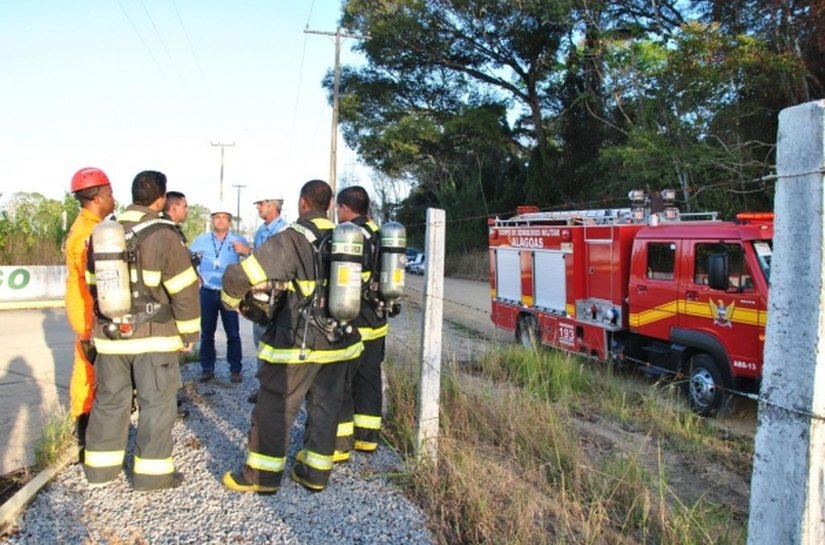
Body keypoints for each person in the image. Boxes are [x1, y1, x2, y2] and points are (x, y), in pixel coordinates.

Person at [221, 179, 364, 494]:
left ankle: (261, 476)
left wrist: (230, 301)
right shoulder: (346, 240)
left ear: (302, 203)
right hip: (341, 342)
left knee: (275, 405)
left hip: (298, 343)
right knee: (326, 407)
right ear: (328, 206)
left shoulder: (292, 239)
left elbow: (243, 275)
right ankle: (314, 474)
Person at [83, 170, 200, 491]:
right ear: (161, 199)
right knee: (157, 405)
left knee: (109, 401)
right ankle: (152, 475)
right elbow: (184, 289)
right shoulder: (165, 234)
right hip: (154, 338)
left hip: (110, 338)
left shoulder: (104, 233)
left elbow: (93, 285)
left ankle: (99, 472)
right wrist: (190, 334)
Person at [333, 186, 390, 462]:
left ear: (345, 208)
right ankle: (367, 440)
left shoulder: (350, 235)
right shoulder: (381, 234)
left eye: (338, 209)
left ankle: (340, 442)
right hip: (378, 320)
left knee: (341, 379)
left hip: (353, 320)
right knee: (369, 379)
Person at [64, 167, 116, 453]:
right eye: (109, 193)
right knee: (90, 376)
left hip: (85, 313)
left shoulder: (88, 227)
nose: (113, 198)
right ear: (96, 197)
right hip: (88, 315)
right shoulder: (90, 234)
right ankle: (87, 440)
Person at [189, 204, 249, 383]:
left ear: (230, 221)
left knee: (233, 332)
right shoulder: (200, 240)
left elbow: (250, 262)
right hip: (207, 291)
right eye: (217, 217)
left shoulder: (238, 241)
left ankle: (235, 369)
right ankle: (207, 368)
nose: (220, 220)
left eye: (224, 217)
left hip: (229, 292)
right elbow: (189, 261)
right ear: (212, 220)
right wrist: (197, 277)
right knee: (207, 332)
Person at [240, 190, 288, 403]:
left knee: (278, 344)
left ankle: (279, 390)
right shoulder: (261, 231)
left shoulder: (285, 231)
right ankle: (265, 389)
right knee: (261, 342)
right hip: (260, 295)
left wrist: (247, 252)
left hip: (278, 296)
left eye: (260, 204)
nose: (258, 208)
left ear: (271, 204)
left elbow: (275, 263)